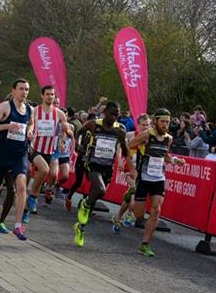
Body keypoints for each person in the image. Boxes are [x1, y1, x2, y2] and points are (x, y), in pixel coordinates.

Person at [0, 79, 34, 240]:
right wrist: (7, 126)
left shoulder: (29, 109)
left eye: (27, 89)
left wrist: (29, 131)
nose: (24, 92)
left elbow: (31, 124)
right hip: (3, 154)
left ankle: (17, 226)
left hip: (20, 154)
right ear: (14, 90)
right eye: (21, 89)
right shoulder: (5, 107)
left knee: (21, 186)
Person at [72, 101, 132, 248]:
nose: (115, 117)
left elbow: (125, 151)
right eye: (112, 114)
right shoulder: (94, 124)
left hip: (107, 167)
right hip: (92, 163)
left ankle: (80, 228)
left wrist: (124, 148)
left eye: (117, 115)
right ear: (105, 113)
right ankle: (84, 205)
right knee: (100, 190)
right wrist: (76, 145)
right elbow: (78, 132)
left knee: (96, 195)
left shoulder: (120, 129)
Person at [127, 108, 185, 256]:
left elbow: (164, 155)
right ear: (155, 121)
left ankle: (145, 244)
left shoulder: (168, 138)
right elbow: (128, 146)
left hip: (159, 177)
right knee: (138, 214)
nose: (166, 125)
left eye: (168, 122)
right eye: (163, 121)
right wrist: (132, 167)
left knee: (156, 210)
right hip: (143, 178)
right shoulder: (146, 135)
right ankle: (130, 197)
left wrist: (174, 160)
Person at [26, 85, 70, 222]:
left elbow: (65, 129)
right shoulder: (35, 111)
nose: (50, 97)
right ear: (42, 96)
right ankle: (32, 196)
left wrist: (63, 139)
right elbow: (31, 124)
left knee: (46, 175)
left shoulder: (59, 113)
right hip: (35, 148)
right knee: (44, 170)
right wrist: (30, 131)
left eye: (52, 94)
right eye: (48, 94)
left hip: (50, 150)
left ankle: (29, 204)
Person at [112, 113, 151, 233]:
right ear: (138, 125)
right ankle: (128, 214)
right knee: (133, 196)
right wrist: (119, 160)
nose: (145, 127)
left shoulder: (151, 138)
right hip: (130, 170)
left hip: (143, 172)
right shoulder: (131, 135)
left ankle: (118, 216)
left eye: (148, 125)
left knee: (129, 197)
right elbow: (119, 145)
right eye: (143, 125)